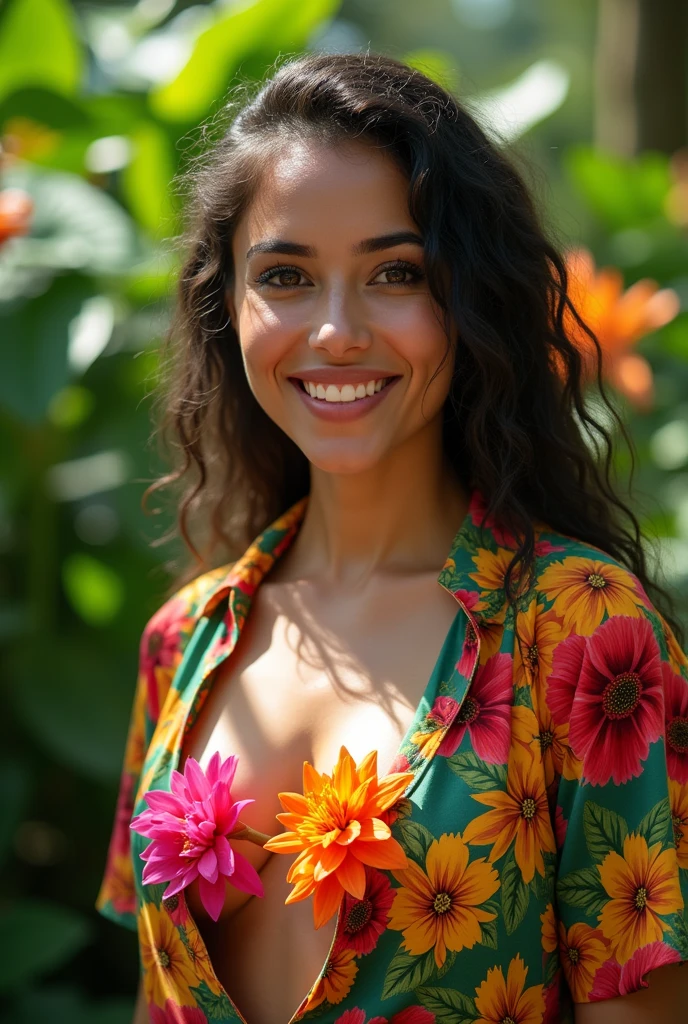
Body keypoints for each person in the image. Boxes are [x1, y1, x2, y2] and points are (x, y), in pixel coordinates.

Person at [96, 51, 688, 1024]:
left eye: (395, 273)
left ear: (468, 300)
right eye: (285, 275)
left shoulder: (581, 633)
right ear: (227, 306)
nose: (335, 330)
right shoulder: (184, 642)